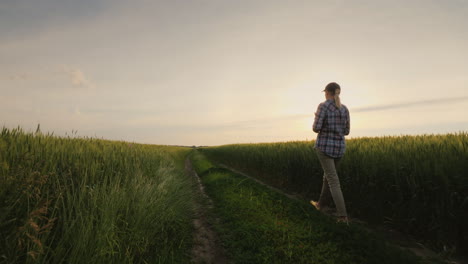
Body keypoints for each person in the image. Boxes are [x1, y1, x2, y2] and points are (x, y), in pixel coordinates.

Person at [310, 82, 350, 224]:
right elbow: (346, 131)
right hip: (339, 149)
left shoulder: (323, 106)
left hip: (325, 148)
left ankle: (342, 216)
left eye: (325, 92)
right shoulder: (344, 109)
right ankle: (320, 204)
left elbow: (316, 128)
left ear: (327, 92)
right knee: (328, 178)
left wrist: (317, 117)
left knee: (333, 180)